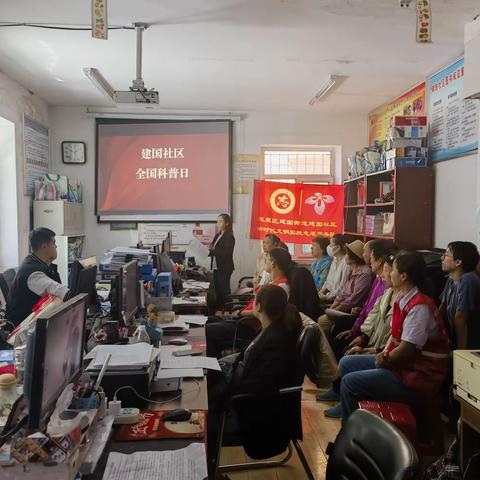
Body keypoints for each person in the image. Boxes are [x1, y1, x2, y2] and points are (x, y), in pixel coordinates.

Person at [338, 252, 449, 424]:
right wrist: (374, 352)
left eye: (393, 270)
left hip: (417, 375)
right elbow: (395, 339)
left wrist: (385, 360)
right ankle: (360, 423)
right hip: (402, 366)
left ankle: (352, 433)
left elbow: (407, 349)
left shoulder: (419, 306)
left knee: (349, 383)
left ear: (403, 276)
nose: (388, 274)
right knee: (346, 362)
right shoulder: (403, 298)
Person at [207, 284, 302, 472]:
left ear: (258, 307)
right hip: (245, 400)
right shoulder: (270, 330)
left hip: (254, 415)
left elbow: (257, 386)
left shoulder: (276, 342)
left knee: (201, 424)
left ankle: (209, 471)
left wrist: (221, 392)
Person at [318, 254, 400, 417]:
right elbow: (371, 316)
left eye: (388, 271)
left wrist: (372, 350)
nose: (383, 275)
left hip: (386, 354)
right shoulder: (388, 293)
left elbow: (398, 343)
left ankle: (348, 407)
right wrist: (362, 336)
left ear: (402, 275)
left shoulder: (408, 302)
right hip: (375, 342)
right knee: (345, 351)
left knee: (347, 354)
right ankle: (339, 392)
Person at [206, 248, 292, 358]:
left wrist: (239, 313)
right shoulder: (270, 282)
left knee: (207, 331)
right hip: (244, 320)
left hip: (250, 327)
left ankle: (213, 371)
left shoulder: (281, 287)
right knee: (207, 321)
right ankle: (216, 366)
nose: (265, 263)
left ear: (273, 263)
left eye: (267, 260)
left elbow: (262, 312)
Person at [331, 240, 395, 359]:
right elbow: (367, 308)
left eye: (370, 255)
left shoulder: (387, 286)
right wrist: (355, 330)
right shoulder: (378, 280)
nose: (368, 259)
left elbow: (376, 318)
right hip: (366, 328)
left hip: (373, 336)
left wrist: (362, 336)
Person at [6, 228, 70, 328]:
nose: (56, 246)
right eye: (53, 243)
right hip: (23, 330)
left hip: (34, 321)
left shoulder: (36, 262)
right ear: (44, 246)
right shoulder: (32, 273)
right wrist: (77, 295)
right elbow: (56, 290)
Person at [317, 240, 372, 336]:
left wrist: (336, 309)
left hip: (353, 311)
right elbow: (342, 293)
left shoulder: (364, 273)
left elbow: (354, 298)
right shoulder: (353, 271)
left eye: (347, 254)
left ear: (354, 258)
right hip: (344, 307)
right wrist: (333, 307)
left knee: (322, 321)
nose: (345, 256)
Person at [438, 241, 480, 350]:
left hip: (470, 344)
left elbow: (460, 318)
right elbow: (442, 308)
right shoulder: (451, 279)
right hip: (452, 338)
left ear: (458, 262)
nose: (442, 258)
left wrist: (460, 353)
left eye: (446, 255)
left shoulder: (468, 279)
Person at [208, 213, 235, 313]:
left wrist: (213, 250)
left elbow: (226, 253)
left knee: (225, 292)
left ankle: (229, 312)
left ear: (227, 223)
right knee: (218, 292)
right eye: (217, 221)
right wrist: (209, 250)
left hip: (224, 268)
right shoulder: (218, 235)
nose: (218, 223)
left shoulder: (229, 236)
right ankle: (219, 312)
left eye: (220, 221)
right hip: (216, 267)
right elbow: (214, 251)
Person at [318, 234, 350, 307]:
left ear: (338, 247)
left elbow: (342, 287)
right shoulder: (334, 260)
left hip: (336, 300)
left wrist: (326, 297)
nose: (328, 247)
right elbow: (328, 281)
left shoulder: (346, 263)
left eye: (330, 244)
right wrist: (321, 291)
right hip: (327, 296)